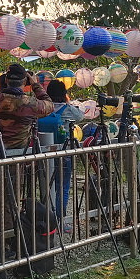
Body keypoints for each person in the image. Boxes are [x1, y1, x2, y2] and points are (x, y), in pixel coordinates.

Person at [0, 63, 54, 235]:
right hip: (16, 158)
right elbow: (49, 104)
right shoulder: (30, 103)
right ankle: (8, 239)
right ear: (24, 81)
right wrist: (35, 84)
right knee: (10, 201)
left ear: (6, 80)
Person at [37, 80, 85, 232]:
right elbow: (81, 116)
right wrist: (68, 101)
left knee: (45, 187)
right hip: (63, 153)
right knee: (63, 188)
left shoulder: (43, 108)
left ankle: (46, 220)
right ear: (64, 93)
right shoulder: (68, 109)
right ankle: (59, 221)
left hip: (44, 153)